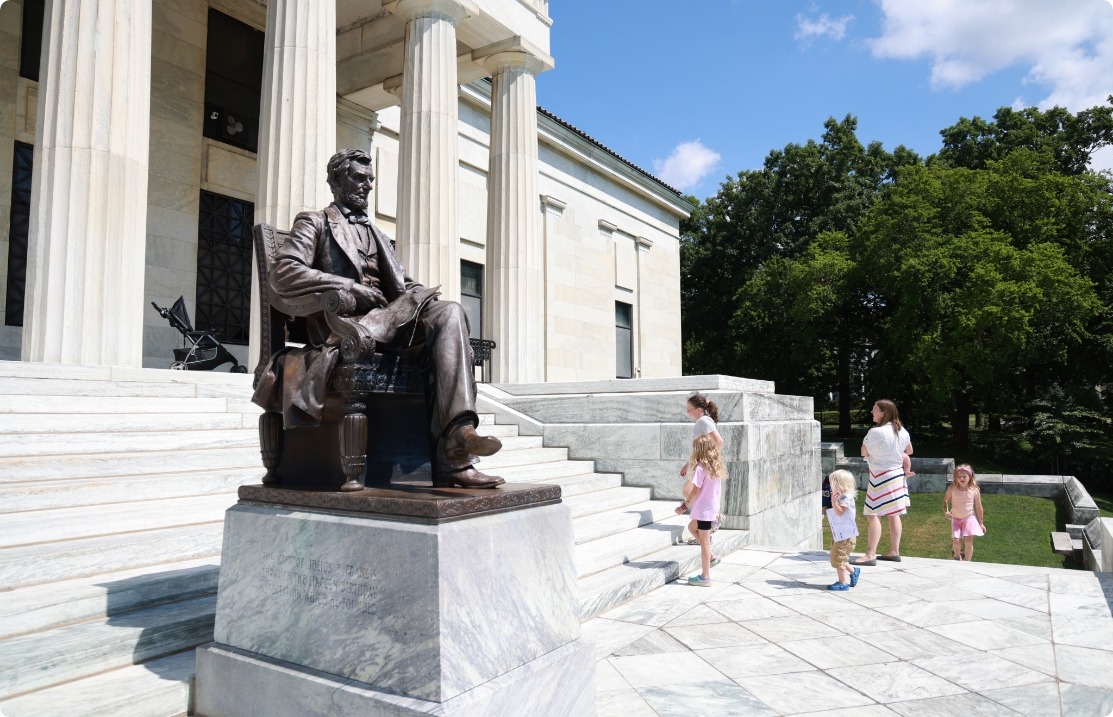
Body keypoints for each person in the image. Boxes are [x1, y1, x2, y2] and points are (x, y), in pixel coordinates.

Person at [253, 149, 504, 489]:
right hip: (348, 328)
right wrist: (348, 286)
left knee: (449, 312)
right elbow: (282, 273)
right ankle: (454, 457)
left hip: (390, 323)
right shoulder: (314, 222)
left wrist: (422, 297)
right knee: (440, 318)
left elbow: (401, 283)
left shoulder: (378, 234)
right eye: (359, 178)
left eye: (370, 180)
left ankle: (459, 441)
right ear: (336, 180)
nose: (367, 186)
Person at [852, 399, 913, 566]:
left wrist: (877, 454)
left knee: (872, 514)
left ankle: (870, 554)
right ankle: (894, 551)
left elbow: (863, 451)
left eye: (875, 410)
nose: (872, 412)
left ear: (884, 413)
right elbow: (909, 450)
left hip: (880, 477)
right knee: (894, 514)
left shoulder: (875, 432)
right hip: (897, 476)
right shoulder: (902, 431)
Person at [675, 434, 726, 587]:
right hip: (711, 509)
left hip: (704, 511)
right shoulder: (715, 466)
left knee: (704, 544)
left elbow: (695, 491)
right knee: (691, 527)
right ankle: (711, 557)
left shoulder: (700, 468)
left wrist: (683, 507)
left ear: (699, 450)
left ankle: (705, 577)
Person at [680, 394, 724, 543]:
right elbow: (700, 447)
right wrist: (688, 464)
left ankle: (713, 519)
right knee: (689, 492)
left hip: (703, 465)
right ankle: (709, 523)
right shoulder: (703, 420)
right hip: (700, 463)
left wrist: (709, 461)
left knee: (689, 492)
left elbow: (719, 441)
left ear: (699, 409)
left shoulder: (704, 420)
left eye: (689, 409)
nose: (688, 413)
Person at [826, 469, 861, 591]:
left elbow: (840, 512)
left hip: (845, 536)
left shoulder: (846, 498)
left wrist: (834, 501)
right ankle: (853, 571)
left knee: (839, 557)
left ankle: (842, 583)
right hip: (841, 533)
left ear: (839, 484)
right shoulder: (843, 497)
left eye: (832, 484)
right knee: (838, 556)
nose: (830, 487)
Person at [943, 464, 986, 561]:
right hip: (956, 518)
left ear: (970, 477)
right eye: (959, 476)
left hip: (969, 518)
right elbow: (945, 502)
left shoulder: (974, 490)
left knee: (968, 541)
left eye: (964, 476)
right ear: (955, 477)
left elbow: (979, 508)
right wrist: (946, 512)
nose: (961, 478)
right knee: (956, 540)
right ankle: (957, 557)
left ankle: (968, 561)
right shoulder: (952, 489)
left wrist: (981, 523)